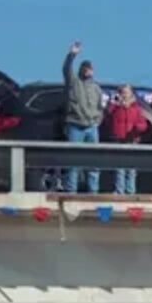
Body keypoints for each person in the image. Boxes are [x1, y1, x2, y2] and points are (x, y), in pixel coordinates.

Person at [63, 42, 105, 193]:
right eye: (85, 68)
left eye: (90, 68)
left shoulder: (96, 88)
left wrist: (97, 120)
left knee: (94, 163)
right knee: (73, 162)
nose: (88, 70)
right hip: (75, 126)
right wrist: (72, 55)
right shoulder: (74, 82)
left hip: (92, 128)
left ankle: (93, 192)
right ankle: (71, 191)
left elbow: (101, 107)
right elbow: (66, 69)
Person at [104, 85, 152, 195]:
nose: (124, 95)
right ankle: (119, 190)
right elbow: (107, 116)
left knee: (131, 168)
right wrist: (113, 104)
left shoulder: (136, 108)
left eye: (126, 92)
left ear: (131, 94)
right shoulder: (115, 107)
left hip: (132, 140)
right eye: (122, 92)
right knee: (119, 167)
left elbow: (143, 125)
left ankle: (130, 191)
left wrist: (138, 128)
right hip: (118, 140)